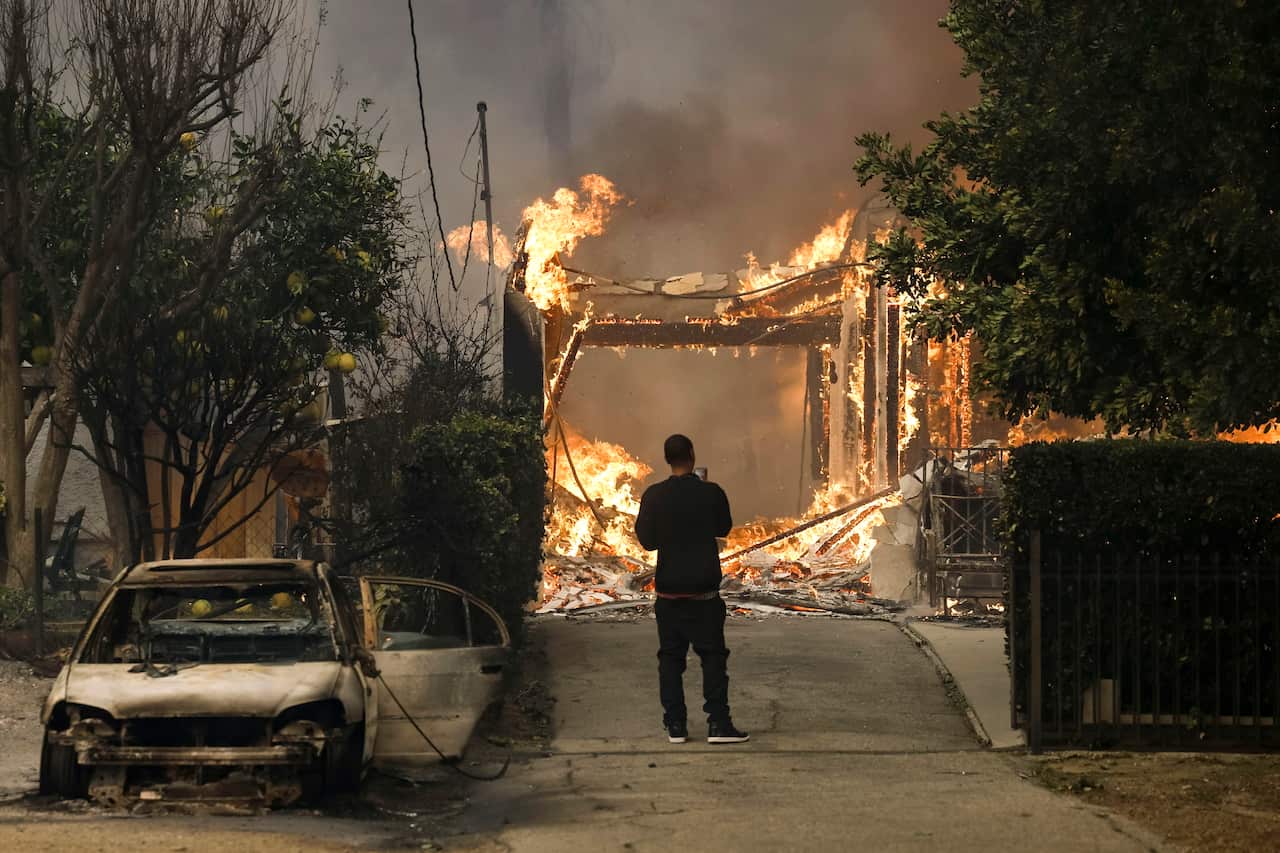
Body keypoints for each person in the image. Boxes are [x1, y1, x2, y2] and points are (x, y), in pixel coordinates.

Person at [635, 434, 749, 745]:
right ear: (692, 455)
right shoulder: (711, 493)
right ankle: (718, 724)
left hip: (669, 593)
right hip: (704, 595)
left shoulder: (654, 496)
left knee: (670, 660)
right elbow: (723, 528)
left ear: (667, 459)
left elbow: (647, 541)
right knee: (713, 658)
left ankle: (676, 725)